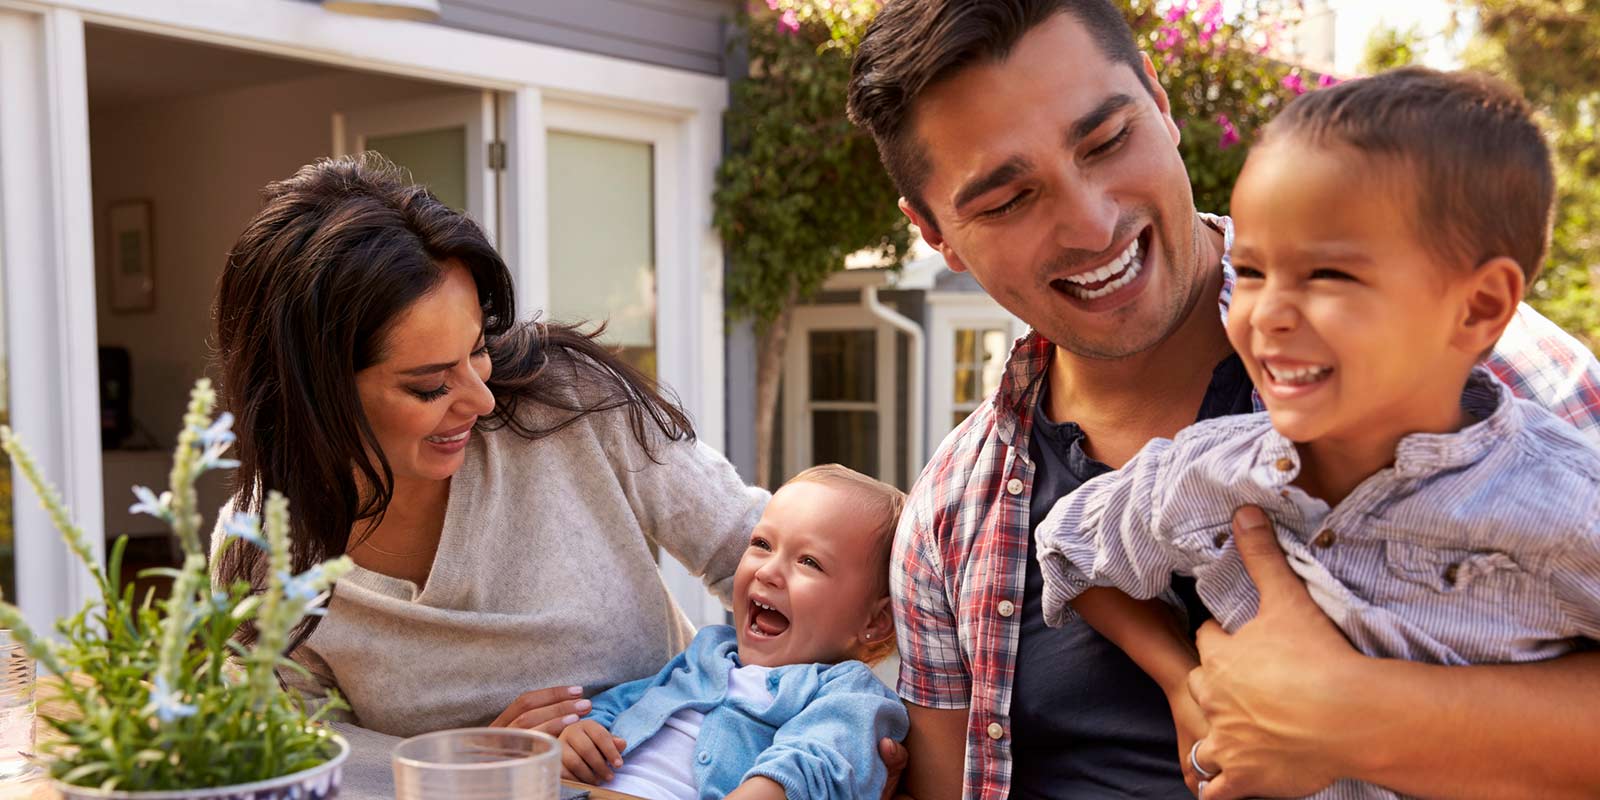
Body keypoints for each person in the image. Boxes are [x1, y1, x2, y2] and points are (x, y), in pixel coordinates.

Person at [844, 2, 1600, 799]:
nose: (1091, 223)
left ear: (1160, 106)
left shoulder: (1488, 370)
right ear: (937, 236)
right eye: (1006, 201)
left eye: (1106, 142)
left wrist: (1350, 714)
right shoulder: (950, 509)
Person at [1035, 67, 1600, 799]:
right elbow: (1071, 551)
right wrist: (1187, 684)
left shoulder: (1566, 503)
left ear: (1478, 309)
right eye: (1253, 270)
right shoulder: (1211, 472)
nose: (1265, 313)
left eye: (1327, 274)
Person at [209, 153, 767, 739]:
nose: (481, 399)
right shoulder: (262, 555)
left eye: (478, 349)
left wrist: (832, 726)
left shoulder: (570, 404)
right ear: (311, 395)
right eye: (430, 385)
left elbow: (763, 555)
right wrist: (481, 760)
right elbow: (306, 758)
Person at [559, 465, 909, 799]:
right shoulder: (706, 655)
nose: (768, 571)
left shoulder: (848, 693)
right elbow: (624, 703)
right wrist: (583, 733)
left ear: (875, 622)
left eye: (809, 562)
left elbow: (819, 759)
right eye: (762, 544)